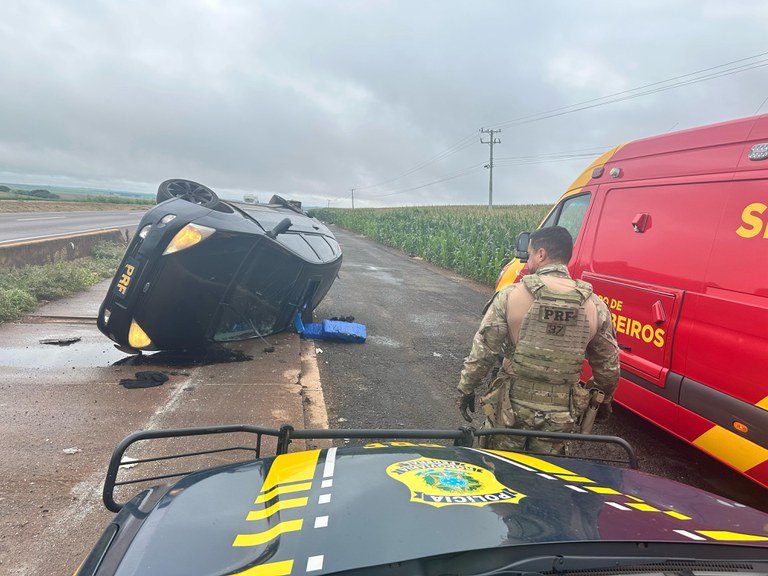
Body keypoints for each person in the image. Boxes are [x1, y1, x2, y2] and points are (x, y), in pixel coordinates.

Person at [456, 226, 619, 453]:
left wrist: (466, 389)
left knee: (502, 471)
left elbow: (483, 352)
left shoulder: (510, 295)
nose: (529, 261)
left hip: (510, 410)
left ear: (541, 254)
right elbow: (608, 368)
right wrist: (603, 402)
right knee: (546, 477)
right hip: (560, 418)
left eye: (530, 254)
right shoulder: (595, 306)